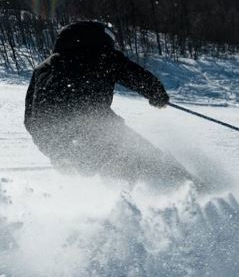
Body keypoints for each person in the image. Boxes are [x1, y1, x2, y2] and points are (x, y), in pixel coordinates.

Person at [24, 21, 192, 186]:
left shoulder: (42, 69)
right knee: (145, 157)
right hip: (99, 131)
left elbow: (30, 118)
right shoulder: (99, 55)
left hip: (61, 144)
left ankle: (119, 207)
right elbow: (133, 74)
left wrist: (55, 152)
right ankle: (187, 187)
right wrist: (156, 93)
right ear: (97, 37)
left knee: (106, 179)